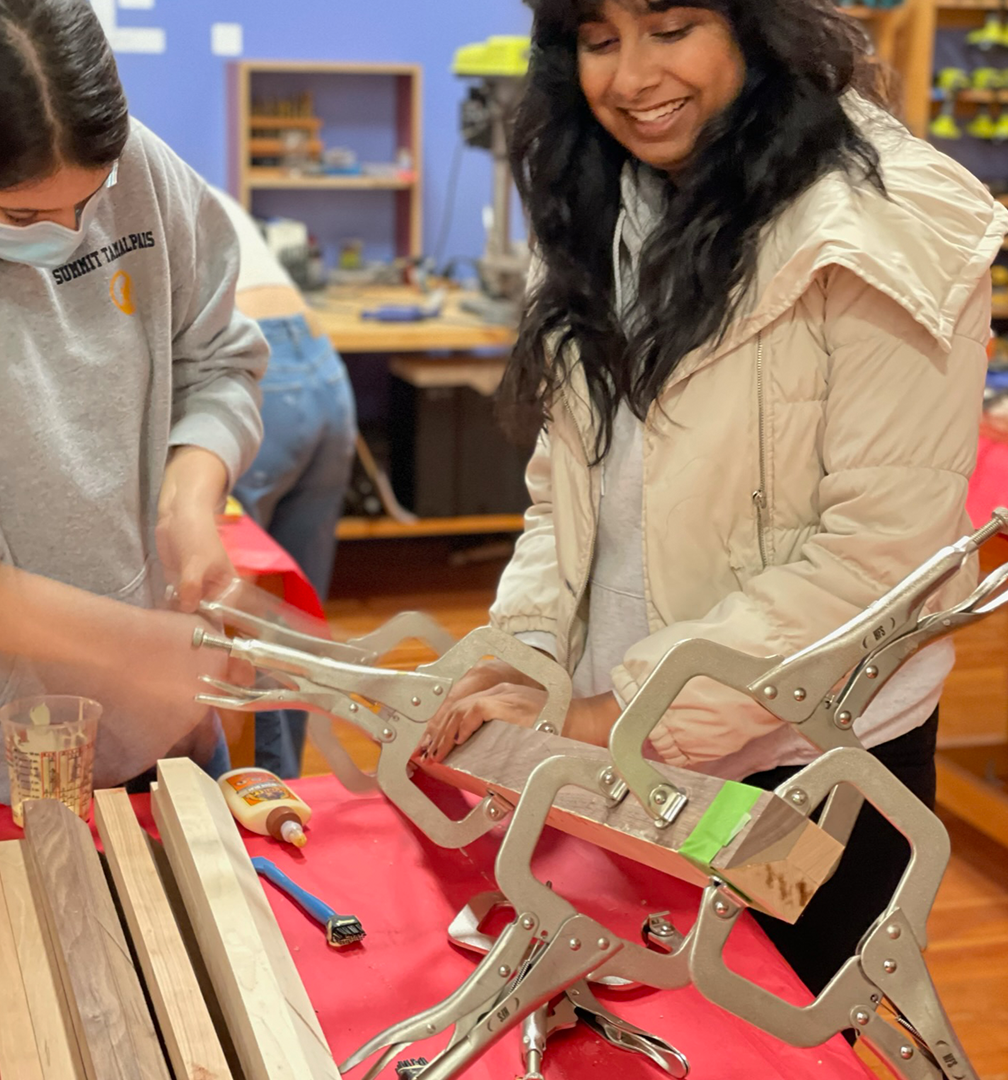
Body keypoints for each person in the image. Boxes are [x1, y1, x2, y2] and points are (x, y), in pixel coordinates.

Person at [419, 0, 1008, 997]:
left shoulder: (888, 219)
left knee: (800, 1028)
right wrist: (526, 662)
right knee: (652, 1006)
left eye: (670, 26)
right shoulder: (602, 200)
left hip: (809, 765)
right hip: (630, 742)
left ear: (757, 23)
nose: (632, 77)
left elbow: (878, 560)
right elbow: (566, 500)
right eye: (598, 41)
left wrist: (615, 711)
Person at [0, 0, 268, 804]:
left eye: (93, 199)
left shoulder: (139, 170)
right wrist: (124, 647)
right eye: (24, 217)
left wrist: (190, 497)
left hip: (155, 730)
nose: (72, 232)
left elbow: (218, 359)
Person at [209, 187, 357, 778]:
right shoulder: (195, 186)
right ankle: (288, 785)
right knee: (292, 620)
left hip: (258, 378)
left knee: (246, 622)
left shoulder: (121, 189)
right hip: (322, 367)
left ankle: (264, 795)